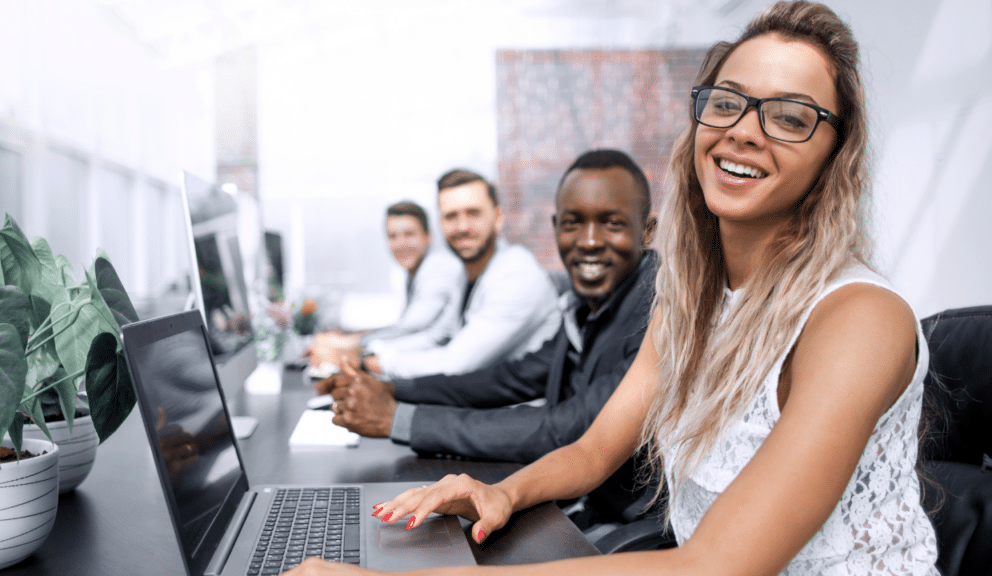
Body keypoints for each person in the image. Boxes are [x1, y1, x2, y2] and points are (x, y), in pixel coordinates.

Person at [284, 1, 939, 574]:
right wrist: (504, 493)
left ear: (835, 155)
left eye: (790, 117)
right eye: (728, 101)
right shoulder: (691, 298)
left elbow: (715, 566)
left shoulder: (857, 319)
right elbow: (596, 448)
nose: (743, 130)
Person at [319, 149, 659, 527]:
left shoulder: (657, 310)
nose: (590, 241)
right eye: (573, 223)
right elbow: (510, 378)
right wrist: (394, 392)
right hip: (572, 498)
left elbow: (571, 427)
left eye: (612, 223)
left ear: (647, 231)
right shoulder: (589, 304)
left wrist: (399, 417)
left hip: (627, 521)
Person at [361, 169, 560, 379]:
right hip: (475, 399)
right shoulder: (463, 274)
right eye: (451, 216)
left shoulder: (517, 275)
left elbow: (454, 365)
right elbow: (439, 337)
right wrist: (374, 352)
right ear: (440, 223)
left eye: (473, 213)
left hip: (518, 407)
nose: (462, 227)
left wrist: (372, 362)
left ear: (498, 218)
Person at [309, 201, 463, 367]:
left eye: (409, 234)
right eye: (392, 236)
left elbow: (411, 327)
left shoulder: (438, 268)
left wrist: (352, 342)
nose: (400, 244)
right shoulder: (414, 272)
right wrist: (350, 335)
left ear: (428, 237)